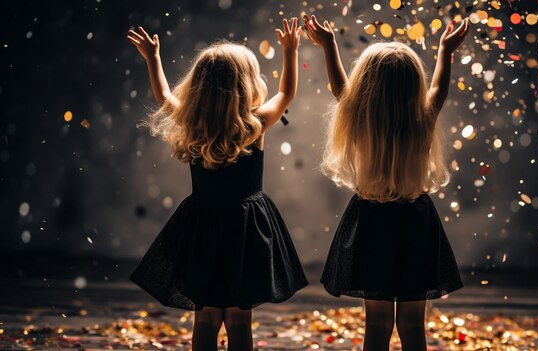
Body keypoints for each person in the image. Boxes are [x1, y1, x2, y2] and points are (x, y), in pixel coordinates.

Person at [126, 19, 307, 351]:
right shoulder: (255, 125)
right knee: (239, 321)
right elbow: (286, 92)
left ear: (199, 85)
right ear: (247, 84)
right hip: (244, 230)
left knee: (205, 319)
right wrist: (290, 51)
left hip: (203, 228)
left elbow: (164, 95)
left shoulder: (193, 122)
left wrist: (152, 58)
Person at [305, 15, 470, 351]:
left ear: (365, 86)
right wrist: (445, 51)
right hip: (416, 221)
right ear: (414, 86)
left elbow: (340, 89)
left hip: (371, 221)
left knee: (376, 326)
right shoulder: (423, 119)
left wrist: (329, 46)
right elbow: (439, 88)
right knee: (413, 326)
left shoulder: (359, 118)